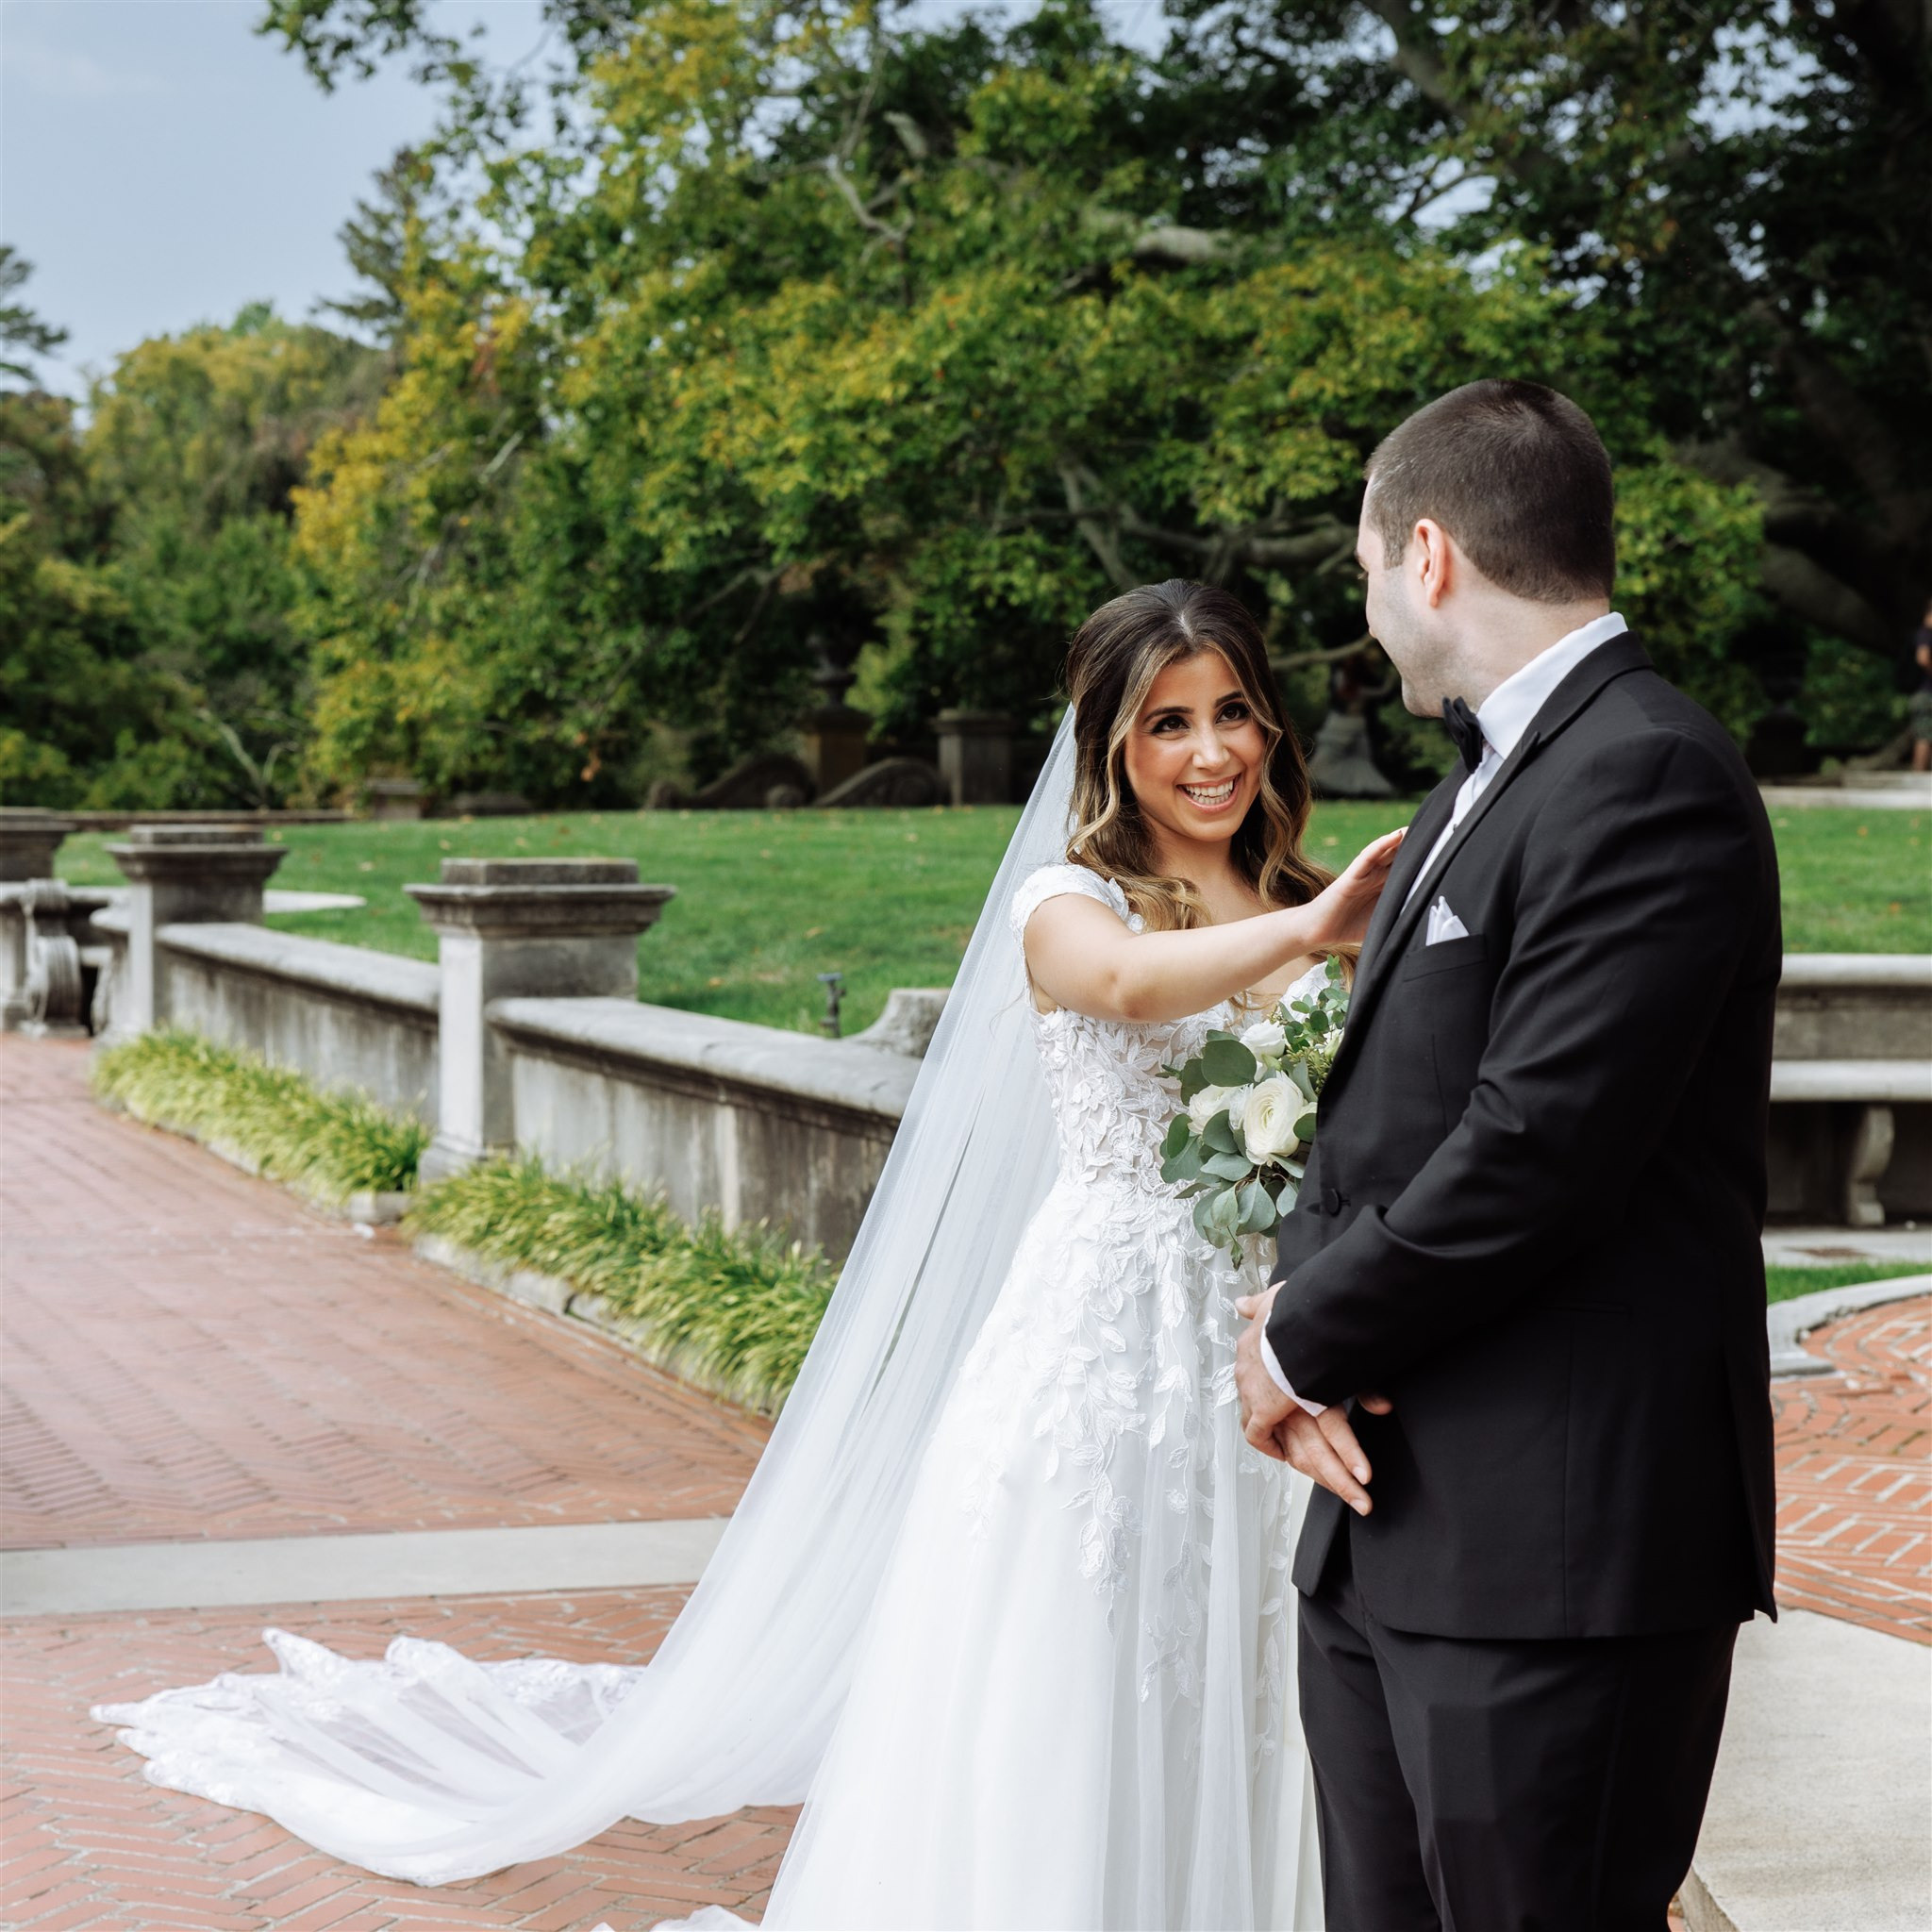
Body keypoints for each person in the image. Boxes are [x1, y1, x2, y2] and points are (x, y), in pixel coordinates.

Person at [94, 581, 1402, 1928]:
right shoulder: (1071, 901)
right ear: (1110, 747)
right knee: (1092, 1657)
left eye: (1235, 711)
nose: (1211, 751)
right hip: (1111, 1339)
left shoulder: (1310, 894)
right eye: (1168, 723)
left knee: (1259, 1658)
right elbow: (1125, 990)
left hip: (1269, 1338)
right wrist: (1314, 935)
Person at [1234, 378, 1781, 1930]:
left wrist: (1288, 1337)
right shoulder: (1469, 786)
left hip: (1552, 1552)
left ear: (1424, 553)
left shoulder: (1647, 773)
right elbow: (1371, 1117)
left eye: (1358, 568)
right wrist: (1305, 1351)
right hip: (1377, 1530)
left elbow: (1541, 1143)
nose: (1365, 606)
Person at [1910, 598, 1932, 774]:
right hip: (1926, 694)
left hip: (1924, 694)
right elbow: (1923, 658)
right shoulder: (1926, 633)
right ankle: (1918, 777)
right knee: (1924, 737)